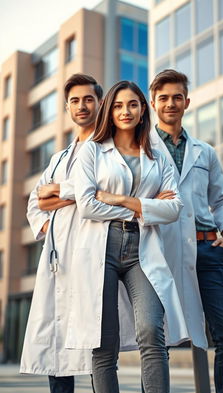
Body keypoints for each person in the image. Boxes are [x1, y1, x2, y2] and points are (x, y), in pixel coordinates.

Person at [64, 80, 192, 393]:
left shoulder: (156, 155)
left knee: (151, 330)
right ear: (109, 110)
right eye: (119, 105)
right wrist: (147, 208)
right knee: (104, 342)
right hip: (101, 248)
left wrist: (121, 200)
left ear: (142, 110)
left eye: (133, 104)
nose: (126, 111)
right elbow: (87, 206)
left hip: (142, 249)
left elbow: (174, 207)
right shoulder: (92, 150)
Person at [149, 69, 223, 393]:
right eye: (164, 98)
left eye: (177, 97)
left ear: (187, 102)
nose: (171, 103)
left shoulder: (205, 151)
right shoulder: (142, 149)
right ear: (153, 103)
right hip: (159, 249)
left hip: (207, 250)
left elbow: (222, 198)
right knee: (155, 335)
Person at [20, 73, 103, 393]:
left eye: (88, 99)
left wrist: (61, 195)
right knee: (57, 342)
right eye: (75, 101)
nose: (81, 106)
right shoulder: (58, 158)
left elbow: (103, 190)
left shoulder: (108, 150)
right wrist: (47, 224)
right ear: (67, 107)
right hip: (58, 258)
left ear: (99, 103)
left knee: (98, 344)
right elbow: (35, 201)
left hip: (92, 254)